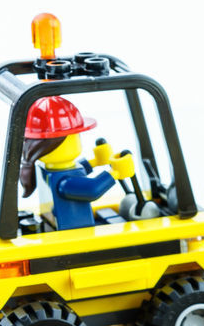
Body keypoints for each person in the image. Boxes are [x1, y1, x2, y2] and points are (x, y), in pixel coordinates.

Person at [20, 96, 134, 231]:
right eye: (75, 136)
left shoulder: (47, 170)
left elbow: (77, 171)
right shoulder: (65, 183)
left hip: (59, 224)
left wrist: (96, 162)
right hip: (76, 229)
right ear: (52, 144)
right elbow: (92, 190)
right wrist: (116, 173)